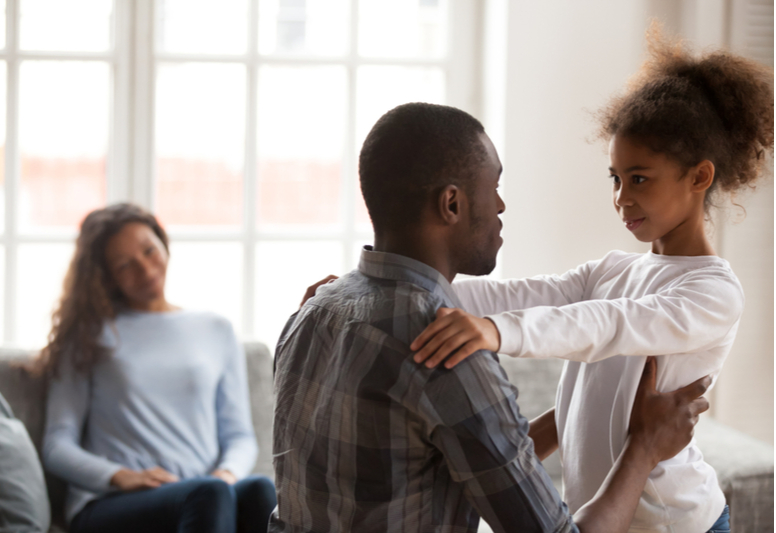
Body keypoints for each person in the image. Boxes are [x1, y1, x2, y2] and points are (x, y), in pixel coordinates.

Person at [270, 102, 711, 533]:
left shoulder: (311, 314)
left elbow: (466, 462)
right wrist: (644, 446)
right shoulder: (448, 350)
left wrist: (579, 408)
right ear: (452, 204)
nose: (501, 205)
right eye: (494, 185)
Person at [410, 32, 773, 532]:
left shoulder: (714, 293)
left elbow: (607, 325)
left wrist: (498, 332)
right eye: (616, 179)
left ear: (699, 177)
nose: (622, 197)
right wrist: (389, 286)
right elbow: (520, 293)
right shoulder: (613, 271)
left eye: (639, 178)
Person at [38, 203, 277, 533]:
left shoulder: (216, 329)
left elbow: (239, 436)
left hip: (203, 493)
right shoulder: (89, 334)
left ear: (163, 242)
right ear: (106, 276)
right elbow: (56, 446)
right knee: (208, 494)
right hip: (110, 503)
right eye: (125, 265)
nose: (146, 269)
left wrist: (226, 474)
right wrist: (123, 478)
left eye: (150, 250)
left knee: (259, 490)